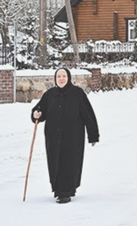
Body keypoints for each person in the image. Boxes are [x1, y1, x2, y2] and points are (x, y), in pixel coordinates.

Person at [31, 67, 99, 204]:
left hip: (73, 137)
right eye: (58, 77)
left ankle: (66, 191)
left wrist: (93, 135)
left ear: (68, 78)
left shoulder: (77, 94)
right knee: (55, 162)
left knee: (69, 163)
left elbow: (88, 115)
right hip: (53, 137)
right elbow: (40, 110)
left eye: (63, 76)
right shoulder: (50, 94)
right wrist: (36, 114)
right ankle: (59, 190)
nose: (61, 79)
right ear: (55, 79)